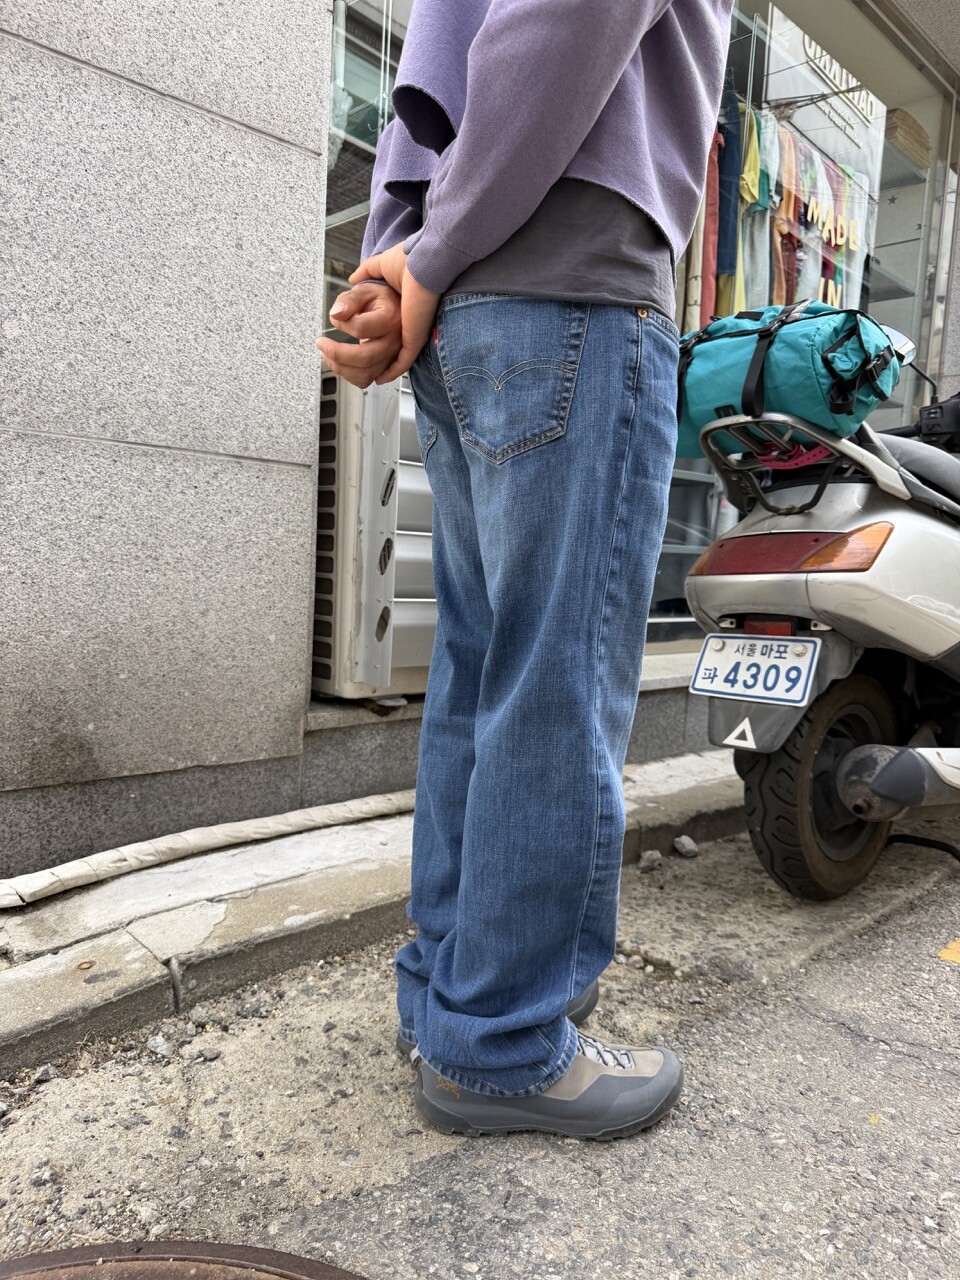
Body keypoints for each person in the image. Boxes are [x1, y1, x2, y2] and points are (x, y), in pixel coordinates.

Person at [317, 0, 734, 1140]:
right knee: (555, 679)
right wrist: (431, 255)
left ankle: (449, 996)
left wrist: (409, 260)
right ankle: (500, 1041)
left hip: (469, 306)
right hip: (572, 288)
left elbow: (435, 80)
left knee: (480, 672)